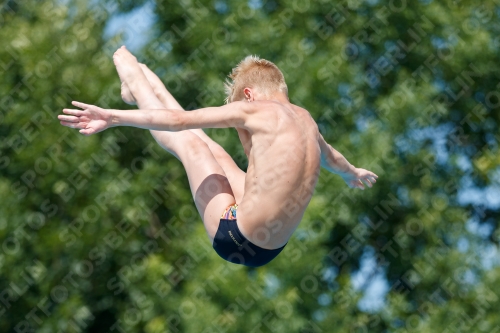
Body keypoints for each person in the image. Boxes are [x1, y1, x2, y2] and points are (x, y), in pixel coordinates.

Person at [58, 46, 378, 267]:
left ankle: (135, 80)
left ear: (249, 95)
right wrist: (353, 173)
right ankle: (148, 81)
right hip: (269, 247)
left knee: (193, 146)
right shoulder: (306, 119)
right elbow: (333, 159)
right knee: (218, 155)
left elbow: (180, 122)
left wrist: (113, 117)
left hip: (237, 238)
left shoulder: (254, 108)